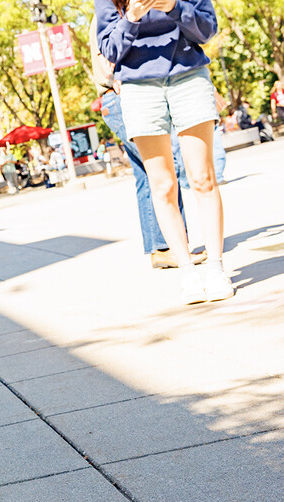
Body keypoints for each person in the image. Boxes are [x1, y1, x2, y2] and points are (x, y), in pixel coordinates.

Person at [96, 0, 234, 304]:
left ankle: (216, 268)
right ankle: (187, 272)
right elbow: (109, 51)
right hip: (138, 88)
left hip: (188, 77)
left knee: (203, 179)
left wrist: (174, 7)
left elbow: (207, 29)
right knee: (163, 185)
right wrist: (132, 16)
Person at [90, 14, 206, 269]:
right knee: (165, 172)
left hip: (114, 100)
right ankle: (172, 247)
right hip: (121, 97)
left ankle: (161, 248)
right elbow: (106, 57)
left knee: (147, 176)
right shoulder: (113, 15)